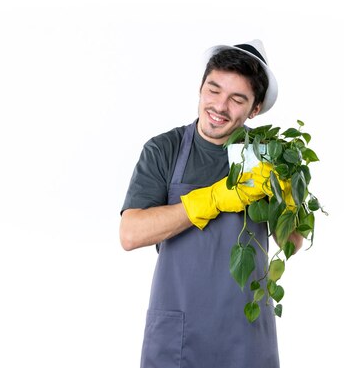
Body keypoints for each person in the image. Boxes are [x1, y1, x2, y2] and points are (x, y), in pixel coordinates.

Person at [120, 39, 302, 368]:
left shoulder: (268, 155)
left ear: (255, 109)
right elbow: (130, 234)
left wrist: (287, 197)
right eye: (213, 90)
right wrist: (213, 199)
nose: (219, 106)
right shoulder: (165, 149)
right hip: (178, 333)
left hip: (246, 335)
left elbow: (291, 244)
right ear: (201, 87)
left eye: (237, 99)